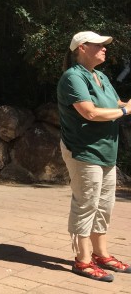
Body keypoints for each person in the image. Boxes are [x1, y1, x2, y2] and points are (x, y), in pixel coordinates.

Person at [57, 30, 131, 283]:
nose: (104, 48)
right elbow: (90, 113)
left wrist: (127, 106)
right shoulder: (73, 77)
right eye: (98, 44)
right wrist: (125, 112)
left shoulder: (100, 76)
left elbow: (117, 104)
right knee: (86, 204)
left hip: (106, 151)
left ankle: (102, 254)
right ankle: (83, 261)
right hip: (84, 151)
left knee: (105, 205)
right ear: (81, 48)